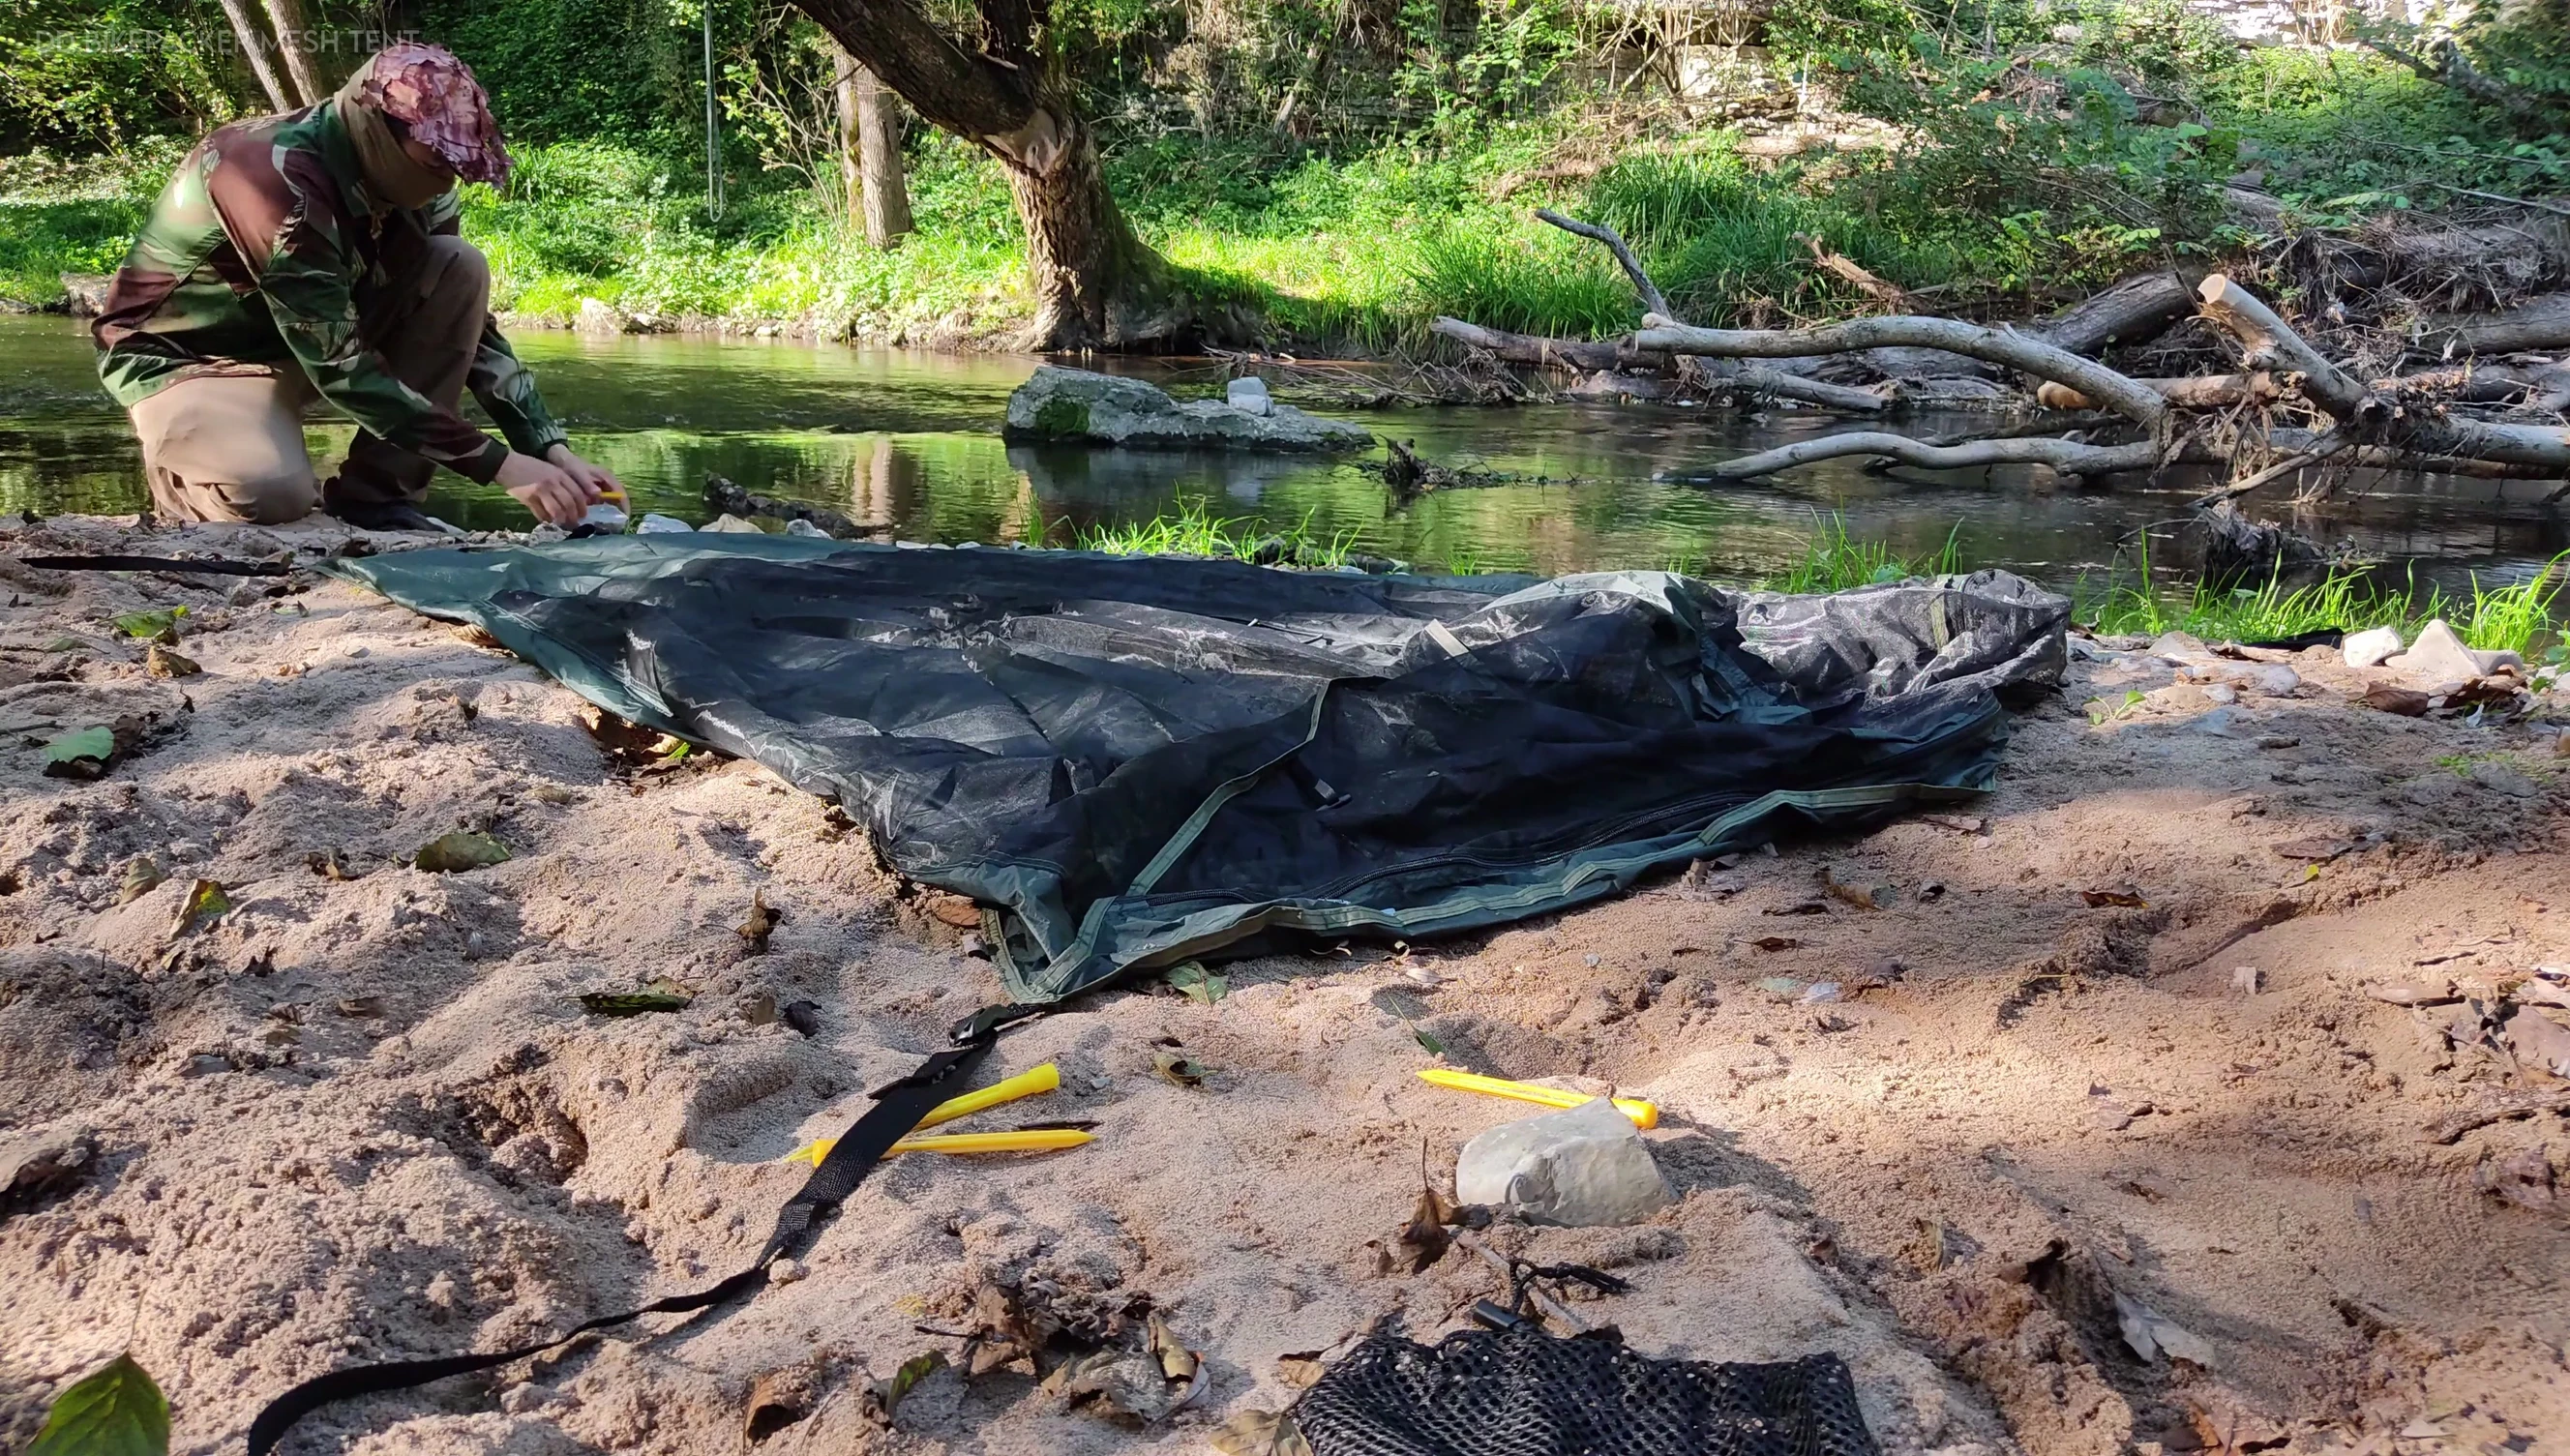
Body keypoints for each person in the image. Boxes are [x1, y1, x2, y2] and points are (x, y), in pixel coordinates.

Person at [91, 43, 618, 531]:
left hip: (308, 344)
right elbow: (339, 366)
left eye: (455, 166)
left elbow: (475, 335)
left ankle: (376, 497)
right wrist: (500, 465)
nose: (446, 181)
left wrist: (549, 449)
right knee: (270, 496)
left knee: (459, 264)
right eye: (436, 161)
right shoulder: (269, 178)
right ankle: (186, 478)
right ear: (378, 132)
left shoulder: (419, 183)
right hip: (191, 359)